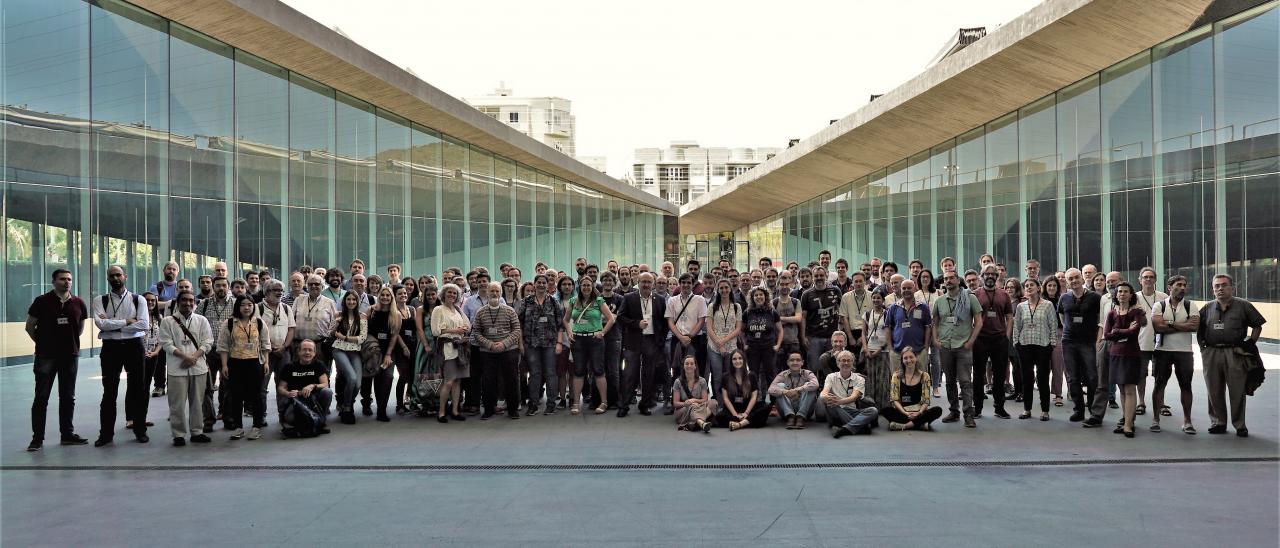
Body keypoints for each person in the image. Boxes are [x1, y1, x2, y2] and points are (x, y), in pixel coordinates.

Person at [25, 269, 90, 451]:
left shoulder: (78, 302)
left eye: (69, 279)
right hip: (46, 356)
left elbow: (80, 328)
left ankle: (67, 435)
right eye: (62, 279)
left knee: (68, 397)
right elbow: (30, 326)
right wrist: (43, 343)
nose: (67, 282)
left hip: (70, 356)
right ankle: (37, 439)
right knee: (41, 397)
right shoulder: (41, 301)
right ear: (53, 281)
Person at [1196, 274, 1265, 437]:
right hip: (1211, 353)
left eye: (1224, 285)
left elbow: (1257, 325)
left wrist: (1250, 343)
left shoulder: (1243, 305)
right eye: (1216, 286)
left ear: (1232, 287)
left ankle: (1240, 425)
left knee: (1237, 390)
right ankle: (1218, 422)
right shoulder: (1207, 308)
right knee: (1213, 389)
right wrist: (1203, 349)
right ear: (1213, 290)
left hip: (1235, 352)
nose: (1220, 288)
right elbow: (1199, 329)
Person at [93, 265, 152, 446]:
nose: (116, 278)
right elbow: (100, 324)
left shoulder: (138, 299)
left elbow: (143, 325)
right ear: (108, 278)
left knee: (138, 389)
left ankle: (140, 429)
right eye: (112, 275)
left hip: (134, 347)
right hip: (110, 348)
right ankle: (106, 434)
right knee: (109, 391)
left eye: (119, 275)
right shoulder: (99, 300)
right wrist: (126, 321)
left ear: (125, 277)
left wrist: (112, 323)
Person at [157, 290, 214, 446]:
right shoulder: (167, 321)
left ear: (194, 302)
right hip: (177, 368)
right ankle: (178, 434)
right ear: (178, 302)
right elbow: (166, 344)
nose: (188, 303)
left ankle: (197, 432)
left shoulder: (201, 320)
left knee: (197, 402)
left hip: (198, 367)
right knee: (177, 404)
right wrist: (185, 357)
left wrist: (193, 357)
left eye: (191, 300)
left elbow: (208, 342)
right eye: (184, 300)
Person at [215, 296, 271, 440]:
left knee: (256, 395)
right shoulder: (228, 323)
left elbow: (265, 344)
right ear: (237, 307)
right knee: (236, 396)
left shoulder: (259, 322)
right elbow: (223, 346)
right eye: (243, 305)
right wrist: (224, 365)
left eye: (250, 305)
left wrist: (266, 363)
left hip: (255, 363)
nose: (247, 308)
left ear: (254, 307)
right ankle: (238, 427)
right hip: (235, 363)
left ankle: (256, 426)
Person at [1150, 275, 1198, 434]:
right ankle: (1155, 420)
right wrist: (1182, 325)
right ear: (1170, 287)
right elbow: (1159, 327)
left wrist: (1170, 323)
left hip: (1184, 352)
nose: (1183, 288)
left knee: (1186, 385)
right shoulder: (1159, 305)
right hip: (1162, 351)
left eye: (1185, 285)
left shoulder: (1191, 305)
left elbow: (1194, 326)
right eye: (1179, 285)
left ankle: (1188, 421)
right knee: (1159, 384)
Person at [615, 272, 667, 417]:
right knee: (630, 374)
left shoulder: (660, 300)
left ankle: (645, 404)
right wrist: (636, 324)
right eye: (643, 282)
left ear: (653, 284)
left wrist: (660, 341)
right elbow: (620, 318)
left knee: (649, 374)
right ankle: (624, 405)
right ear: (638, 282)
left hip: (651, 341)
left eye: (649, 282)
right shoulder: (629, 298)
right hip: (633, 341)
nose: (646, 285)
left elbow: (664, 323)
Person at [565, 276, 616, 415]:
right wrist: (569, 332)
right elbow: (566, 320)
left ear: (592, 286)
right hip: (578, 340)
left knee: (599, 371)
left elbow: (611, 319)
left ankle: (604, 402)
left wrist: (602, 332)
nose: (586, 288)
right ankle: (576, 403)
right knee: (578, 371)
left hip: (595, 340)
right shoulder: (573, 301)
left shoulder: (599, 301)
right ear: (579, 287)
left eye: (588, 285)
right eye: (583, 285)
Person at [471, 281, 523, 420]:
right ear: (487, 293)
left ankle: (513, 410)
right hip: (488, 352)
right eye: (492, 291)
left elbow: (517, 330)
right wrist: (490, 344)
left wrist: (504, 344)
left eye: (497, 291)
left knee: (511, 380)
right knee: (488, 381)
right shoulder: (480, 312)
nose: (494, 293)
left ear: (501, 293)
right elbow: (476, 332)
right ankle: (488, 409)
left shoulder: (509, 310)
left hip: (508, 350)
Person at [1059, 268, 1102, 424]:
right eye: (1070, 278)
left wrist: (1097, 340)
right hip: (1069, 341)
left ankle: (1092, 409)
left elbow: (1100, 319)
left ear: (1082, 279)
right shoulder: (1064, 298)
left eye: (1077, 277)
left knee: (1092, 377)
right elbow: (1063, 317)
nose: (1074, 280)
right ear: (1067, 281)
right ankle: (1078, 409)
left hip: (1088, 342)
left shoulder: (1095, 297)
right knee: (1072, 377)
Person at [1104, 282, 1146, 438]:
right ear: (1116, 295)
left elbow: (1134, 333)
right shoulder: (1111, 313)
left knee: (1129, 389)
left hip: (1131, 354)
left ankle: (1128, 425)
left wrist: (1117, 332)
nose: (1122, 294)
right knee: (1121, 389)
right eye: (1119, 291)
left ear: (1131, 294)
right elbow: (1107, 335)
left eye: (1125, 291)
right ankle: (1127, 420)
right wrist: (1124, 331)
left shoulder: (1137, 313)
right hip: (1115, 354)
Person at [518, 274, 564, 416]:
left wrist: (559, 343)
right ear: (534, 284)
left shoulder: (554, 301)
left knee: (551, 373)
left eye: (544, 282)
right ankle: (533, 404)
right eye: (539, 282)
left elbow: (560, 324)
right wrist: (521, 343)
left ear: (547, 284)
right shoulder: (526, 301)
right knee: (534, 374)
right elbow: (519, 323)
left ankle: (551, 404)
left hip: (550, 343)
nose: (542, 285)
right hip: (531, 343)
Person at [972, 264, 1013, 419]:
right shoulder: (975, 294)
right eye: (986, 274)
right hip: (980, 339)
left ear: (997, 276)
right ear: (982, 276)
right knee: (978, 375)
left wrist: (1006, 336)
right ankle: (977, 408)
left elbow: (1009, 317)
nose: (990, 276)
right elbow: (971, 317)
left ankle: (999, 407)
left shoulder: (1004, 294)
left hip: (999, 339)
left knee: (1000, 374)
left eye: (992, 274)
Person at [1013, 278, 1055, 420]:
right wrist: (1016, 343)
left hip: (1043, 345)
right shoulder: (1021, 306)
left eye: (1032, 285)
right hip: (1024, 345)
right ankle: (1027, 410)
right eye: (1026, 286)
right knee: (1027, 379)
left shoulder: (1048, 305)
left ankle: (1045, 411)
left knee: (1043, 379)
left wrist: (1052, 344)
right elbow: (1016, 326)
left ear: (1039, 288)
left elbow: (1053, 326)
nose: (1029, 287)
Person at [197, 276, 235, 431]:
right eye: (218, 285)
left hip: (229, 352)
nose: (221, 288)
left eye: (224, 285)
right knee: (207, 387)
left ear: (228, 287)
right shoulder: (203, 304)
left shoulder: (235, 304)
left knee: (228, 387)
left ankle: (228, 417)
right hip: (209, 351)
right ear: (213, 287)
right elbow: (196, 325)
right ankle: (208, 419)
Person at [256, 279, 295, 427]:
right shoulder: (257, 308)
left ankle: (284, 416)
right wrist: (271, 347)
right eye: (276, 290)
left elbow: (291, 328)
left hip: (284, 353)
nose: (279, 293)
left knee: (284, 386)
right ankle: (261, 417)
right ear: (266, 292)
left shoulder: (286, 308)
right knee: (261, 387)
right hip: (265, 353)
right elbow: (256, 331)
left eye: (281, 290)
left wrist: (284, 347)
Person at [432, 284, 472, 423]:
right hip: (447, 349)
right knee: (448, 382)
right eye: (449, 292)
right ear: (444, 294)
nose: (452, 295)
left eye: (455, 293)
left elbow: (468, 326)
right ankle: (441, 412)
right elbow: (436, 332)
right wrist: (455, 331)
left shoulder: (458, 309)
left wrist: (462, 329)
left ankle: (455, 410)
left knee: (458, 381)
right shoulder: (438, 309)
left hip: (460, 349)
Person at [276, 340, 332, 438]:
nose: (307, 353)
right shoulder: (289, 367)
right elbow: (280, 388)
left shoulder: (319, 365)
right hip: (296, 402)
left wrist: (312, 386)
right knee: (290, 418)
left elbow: (325, 384)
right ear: (299, 352)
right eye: (304, 350)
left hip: (314, 402)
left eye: (310, 350)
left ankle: (321, 421)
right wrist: (288, 393)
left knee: (327, 392)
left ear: (314, 353)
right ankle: (288, 421)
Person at [881, 347, 942, 431]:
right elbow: (894, 400)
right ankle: (920, 424)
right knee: (885, 410)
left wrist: (919, 413)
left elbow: (926, 400)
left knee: (937, 410)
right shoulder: (896, 376)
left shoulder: (925, 376)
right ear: (902, 360)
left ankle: (905, 426)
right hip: (902, 412)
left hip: (919, 412)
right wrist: (905, 413)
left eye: (911, 357)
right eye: (905, 358)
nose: (909, 360)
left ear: (916, 358)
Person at [821, 350, 879, 437]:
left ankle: (845, 429)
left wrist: (839, 401)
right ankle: (860, 426)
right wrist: (825, 397)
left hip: (852, 411)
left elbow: (854, 397)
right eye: (843, 360)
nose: (846, 363)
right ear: (838, 364)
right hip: (837, 410)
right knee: (830, 404)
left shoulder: (859, 379)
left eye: (849, 360)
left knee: (873, 411)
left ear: (852, 364)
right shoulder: (831, 377)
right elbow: (824, 392)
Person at [330, 291, 367, 424]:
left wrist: (345, 337)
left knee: (357, 383)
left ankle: (348, 403)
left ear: (357, 302)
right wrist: (336, 323)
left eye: (353, 300)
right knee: (351, 378)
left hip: (355, 351)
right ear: (344, 301)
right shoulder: (339, 315)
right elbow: (330, 333)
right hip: (339, 350)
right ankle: (347, 408)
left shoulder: (362, 316)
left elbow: (362, 338)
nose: (351, 302)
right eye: (348, 299)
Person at [1134, 267, 1167, 417]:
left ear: (1155, 279)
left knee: (1160, 375)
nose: (1148, 279)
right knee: (1140, 375)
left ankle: (1160, 402)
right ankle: (1141, 402)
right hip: (1140, 343)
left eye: (1151, 277)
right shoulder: (1134, 297)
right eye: (1145, 277)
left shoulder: (1163, 297)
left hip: (1161, 343)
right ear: (1140, 280)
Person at [364, 286, 399, 422]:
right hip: (371, 352)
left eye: (388, 295)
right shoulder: (371, 310)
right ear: (379, 296)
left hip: (387, 352)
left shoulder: (396, 315)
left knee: (387, 378)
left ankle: (381, 410)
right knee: (370, 378)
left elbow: (395, 336)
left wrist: (388, 354)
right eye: (382, 295)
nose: (385, 297)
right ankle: (367, 403)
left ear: (391, 298)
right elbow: (364, 330)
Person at [666, 273, 709, 385]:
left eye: (688, 282)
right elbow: (670, 321)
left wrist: (689, 337)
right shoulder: (672, 300)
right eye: (683, 282)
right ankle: (677, 398)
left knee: (695, 369)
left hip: (695, 340)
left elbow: (701, 320)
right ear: (679, 284)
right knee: (677, 369)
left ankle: (695, 397)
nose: (686, 285)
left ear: (693, 284)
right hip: (677, 340)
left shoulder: (700, 300)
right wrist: (681, 337)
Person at [884, 279, 932, 378]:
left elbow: (928, 328)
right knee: (897, 380)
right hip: (897, 352)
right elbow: (888, 328)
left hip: (919, 351)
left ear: (914, 289)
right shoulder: (893, 308)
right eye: (904, 288)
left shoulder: (923, 307)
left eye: (909, 288)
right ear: (900, 290)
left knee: (920, 379)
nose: (906, 290)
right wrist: (890, 348)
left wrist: (926, 348)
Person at [800, 266, 843, 372]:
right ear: (812, 278)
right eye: (816, 276)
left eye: (821, 275)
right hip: (813, 337)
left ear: (826, 276)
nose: (819, 278)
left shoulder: (835, 290)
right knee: (814, 368)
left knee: (832, 367)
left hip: (832, 337)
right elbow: (803, 318)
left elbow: (841, 312)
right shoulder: (806, 294)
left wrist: (840, 332)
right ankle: (815, 388)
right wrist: (803, 336)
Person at [706, 279, 742, 400]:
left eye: (726, 287)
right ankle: (720, 404)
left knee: (730, 376)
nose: (724, 290)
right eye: (721, 288)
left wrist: (724, 341)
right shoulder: (712, 306)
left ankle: (730, 403)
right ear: (718, 289)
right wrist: (719, 343)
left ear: (730, 289)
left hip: (731, 347)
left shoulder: (737, 307)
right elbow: (709, 328)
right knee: (717, 376)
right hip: (714, 346)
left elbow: (738, 329)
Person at [716, 349, 769, 430]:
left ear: (744, 360)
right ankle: (746, 422)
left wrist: (746, 413)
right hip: (733, 409)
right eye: (734, 359)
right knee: (719, 417)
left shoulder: (751, 375)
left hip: (748, 408)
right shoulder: (725, 377)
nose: (737, 361)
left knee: (766, 407)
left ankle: (739, 424)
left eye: (740, 358)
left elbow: (754, 397)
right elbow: (725, 398)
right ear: (731, 361)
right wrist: (735, 414)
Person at [768, 352, 819, 429]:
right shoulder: (782, 374)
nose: (795, 362)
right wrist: (785, 392)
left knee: (809, 385)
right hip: (785, 412)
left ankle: (800, 416)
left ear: (802, 362)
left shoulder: (808, 373)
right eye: (792, 360)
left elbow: (816, 384)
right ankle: (790, 415)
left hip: (805, 411)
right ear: (788, 362)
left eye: (798, 360)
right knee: (779, 386)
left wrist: (798, 390)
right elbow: (770, 389)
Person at [860, 292, 892, 414]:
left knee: (883, 379)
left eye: (878, 298)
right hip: (870, 350)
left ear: (883, 300)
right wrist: (866, 348)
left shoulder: (888, 313)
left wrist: (881, 348)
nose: (876, 300)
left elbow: (891, 332)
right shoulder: (867, 314)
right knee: (870, 379)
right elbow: (863, 333)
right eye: (874, 297)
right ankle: (871, 407)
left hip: (883, 351)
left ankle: (883, 407)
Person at [391, 285, 418, 416]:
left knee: (413, 375)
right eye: (400, 294)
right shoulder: (393, 310)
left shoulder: (412, 309)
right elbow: (395, 332)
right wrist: (404, 347)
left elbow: (417, 329)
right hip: (400, 347)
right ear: (395, 296)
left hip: (413, 346)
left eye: (404, 293)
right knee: (403, 375)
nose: (403, 295)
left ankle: (412, 400)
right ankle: (399, 405)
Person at [672, 355, 717, 433]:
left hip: (698, 406)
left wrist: (694, 400)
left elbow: (705, 399)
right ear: (683, 366)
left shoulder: (702, 381)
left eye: (692, 363)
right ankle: (701, 422)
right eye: (687, 364)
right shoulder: (678, 382)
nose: (689, 366)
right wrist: (686, 403)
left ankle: (695, 422)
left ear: (695, 366)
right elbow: (675, 403)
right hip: (683, 410)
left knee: (713, 402)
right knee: (692, 406)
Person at [1042, 276, 1066, 408]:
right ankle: (1044, 393)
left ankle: (1058, 395)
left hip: (1058, 334)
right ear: (1045, 287)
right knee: (1044, 367)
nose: (1051, 288)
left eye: (1054, 286)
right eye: (1049, 285)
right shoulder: (1040, 301)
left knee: (1058, 366)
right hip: (1042, 335)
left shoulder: (1062, 300)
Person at [143, 292, 166, 399]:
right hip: (139, 353)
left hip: (154, 352)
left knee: (148, 380)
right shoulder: (136, 317)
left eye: (153, 300)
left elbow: (162, 338)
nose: (150, 302)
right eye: (147, 300)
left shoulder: (159, 317)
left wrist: (156, 352)